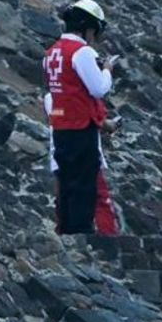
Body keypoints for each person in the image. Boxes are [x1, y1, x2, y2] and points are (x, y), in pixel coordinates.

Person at [43, 0, 113, 234]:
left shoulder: (51, 52)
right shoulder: (81, 52)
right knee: (85, 183)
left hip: (61, 125)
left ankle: (66, 229)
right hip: (82, 125)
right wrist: (107, 71)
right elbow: (98, 88)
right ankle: (81, 231)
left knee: (66, 182)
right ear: (89, 28)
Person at [44, 93, 120, 235]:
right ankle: (107, 237)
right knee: (99, 198)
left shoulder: (53, 98)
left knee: (65, 198)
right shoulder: (79, 98)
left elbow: (55, 113)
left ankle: (66, 235)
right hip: (82, 155)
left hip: (62, 155)